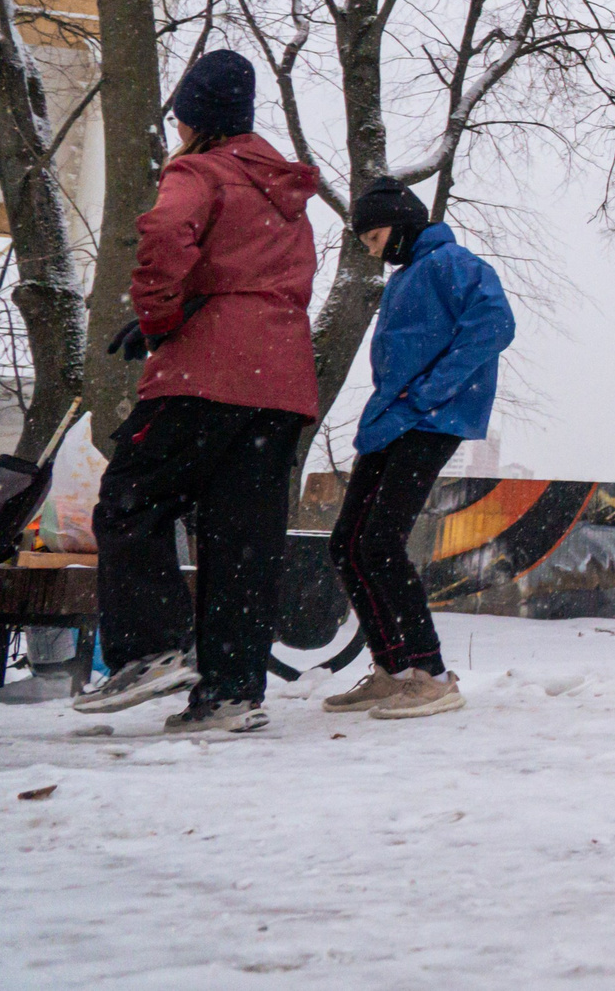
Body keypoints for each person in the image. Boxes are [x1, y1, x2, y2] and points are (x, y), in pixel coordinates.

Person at [73, 51, 322, 732]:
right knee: (242, 536)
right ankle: (231, 691)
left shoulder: (198, 169)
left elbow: (163, 235)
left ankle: (151, 646)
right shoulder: (285, 196)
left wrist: (158, 318)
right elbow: (256, 272)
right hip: (281, 385)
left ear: (193, 119)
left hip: (206, 373)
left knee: (131, 499)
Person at [322, 178, 516, 720]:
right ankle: (393, 668)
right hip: (390, 422)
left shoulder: (453, 262)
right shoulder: (404, 280)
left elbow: (495, 325)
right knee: (348, 545)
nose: (373, 250)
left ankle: (431, 673)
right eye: (366, 242)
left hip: (431, 421)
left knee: (381, 542)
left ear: (404, 224)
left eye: (377, 236)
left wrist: (432, 392)